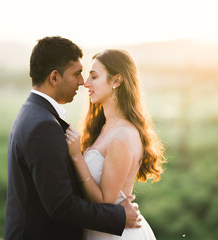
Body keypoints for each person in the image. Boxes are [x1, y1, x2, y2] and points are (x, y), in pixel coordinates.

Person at [4, 37, 141, 240]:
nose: (82, 82)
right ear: (54, 77)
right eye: (77, 74)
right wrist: (119, 216)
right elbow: (61, 205)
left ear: (117, 81)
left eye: (91, 76)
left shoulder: (33, 112)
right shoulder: (44, 125)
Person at [65, 49, 166, 240]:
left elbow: (105, 201)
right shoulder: (104, 129)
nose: (86, 83)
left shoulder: (122, 136)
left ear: (117, 81)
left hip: (116, 234)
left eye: (94, 76)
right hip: (101, 231)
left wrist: (76, 156)